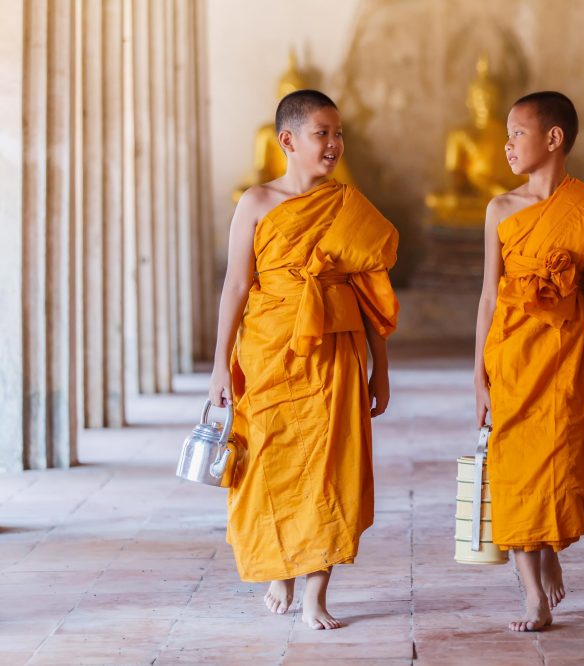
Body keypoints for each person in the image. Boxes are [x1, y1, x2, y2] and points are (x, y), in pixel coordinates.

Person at [208, 89, 399, 630]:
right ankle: (279, 566)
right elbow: (237, 285)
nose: (335, 145)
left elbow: (372, 295)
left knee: (330, 468)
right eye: (323, 134)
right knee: (267, 462)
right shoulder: (256, 202)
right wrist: (221, 364)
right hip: (270, 352)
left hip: (335, 351)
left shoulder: (348, 206)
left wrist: (380, 367)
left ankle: (316, 590)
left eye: (339, 134)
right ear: (288, 141)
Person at [474, 91, 584, 632]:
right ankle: (533, 597)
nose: (507, 144)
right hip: (512, 358)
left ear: (553, 138)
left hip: (567, 362)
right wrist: (479, 374)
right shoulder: (500, 209)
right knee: (514, 472)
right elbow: (489, 298)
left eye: (518, 132)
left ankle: (549, 548)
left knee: (561, 468)